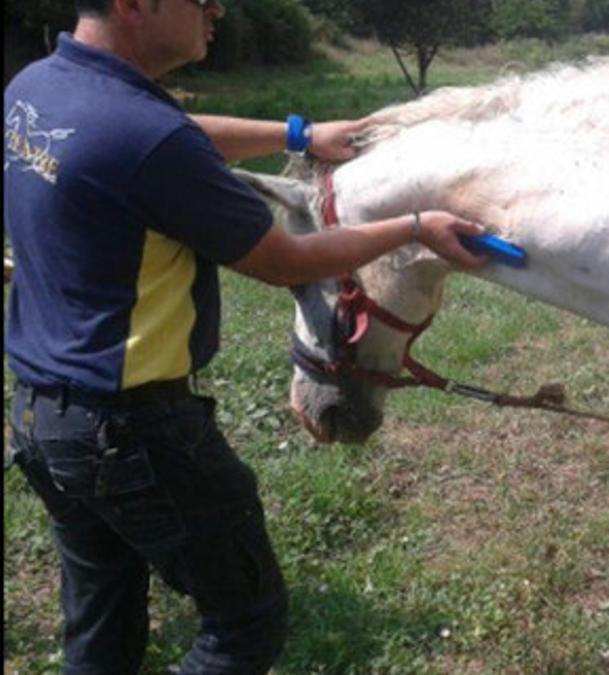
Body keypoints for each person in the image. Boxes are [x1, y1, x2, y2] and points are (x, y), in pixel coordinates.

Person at [3, 0, 488, 673]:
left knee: (101, 617)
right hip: (134, 433)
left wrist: (301, 134)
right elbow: (281, 260)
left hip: (41, 418)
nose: (217, 9)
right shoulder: (143, 137)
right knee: (242, 626)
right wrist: (413, 228)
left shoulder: (37, 89)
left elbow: (177, 134)